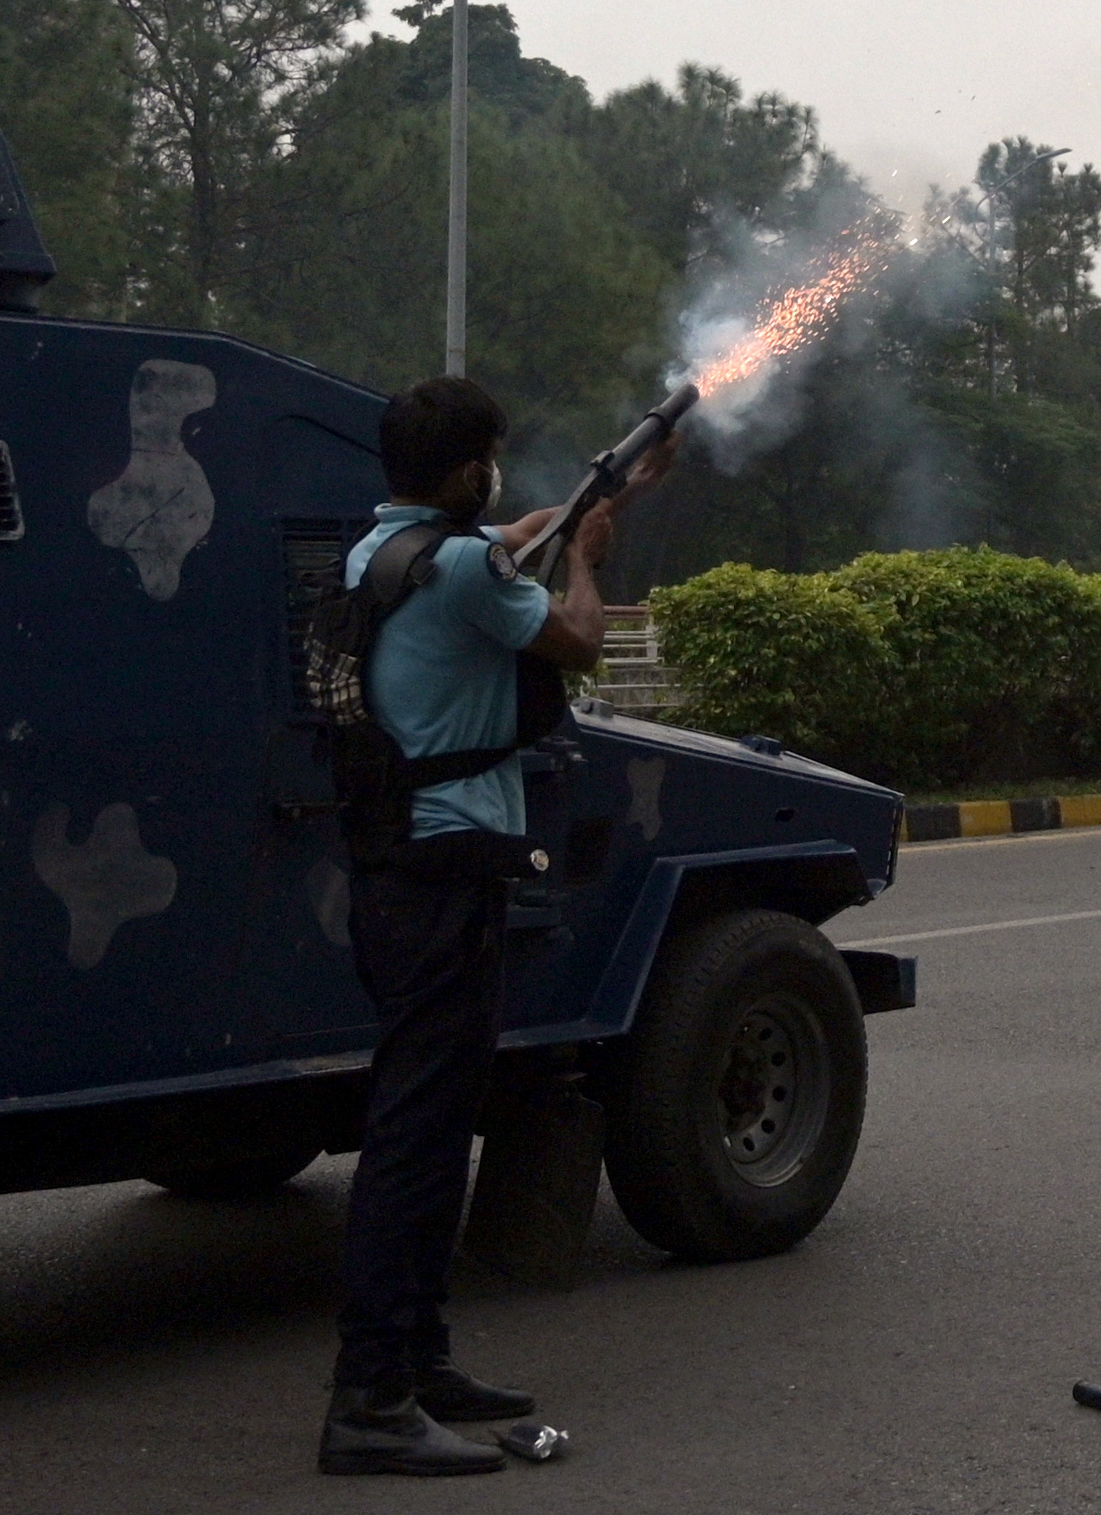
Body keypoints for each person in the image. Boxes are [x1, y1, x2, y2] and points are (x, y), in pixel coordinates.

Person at [320, 375, 670, 1479]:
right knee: (417, 1148)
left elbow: (494, 546)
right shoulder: (464, 568)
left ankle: (419, 1364)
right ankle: (370, 1401)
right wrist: (587, 555)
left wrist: (585, 502)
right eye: (492, 462)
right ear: (469, 469)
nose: (499, 481)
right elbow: (573, 640)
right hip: (445, 873)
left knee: (425, 1126)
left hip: (401, 873)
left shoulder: (379, 554)